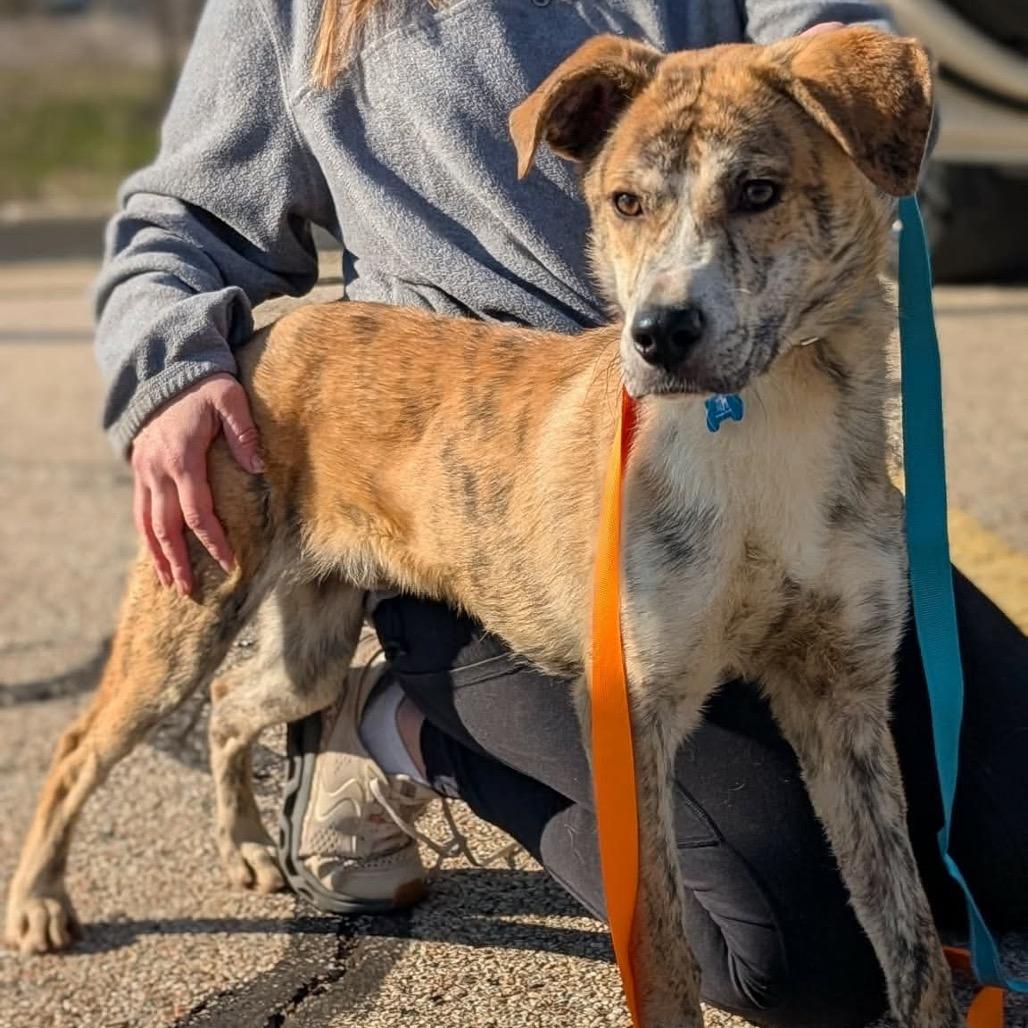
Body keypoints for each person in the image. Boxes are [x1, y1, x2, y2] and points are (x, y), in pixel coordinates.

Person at [94, 2, 1028, 1025]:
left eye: (752, 195)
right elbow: (183, 221)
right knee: (792, 956)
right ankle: (392, 726)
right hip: (490, 498)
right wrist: (170, 368)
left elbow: (823, 35)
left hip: (781, 438)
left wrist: (827, 86)